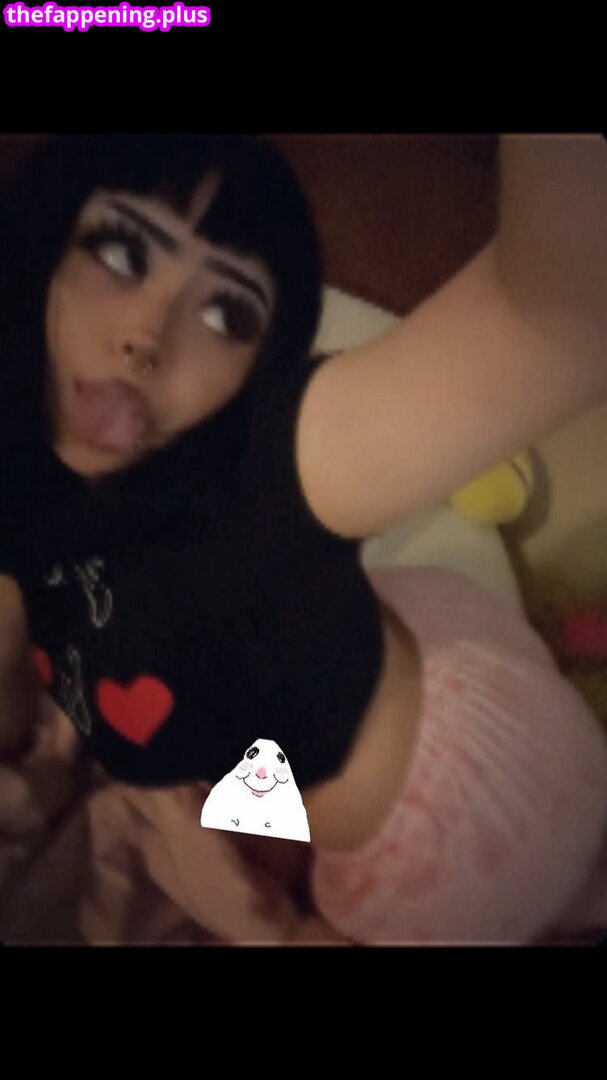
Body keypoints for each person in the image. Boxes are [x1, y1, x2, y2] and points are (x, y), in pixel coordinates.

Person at [0, 133, 606, 945]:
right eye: (119, 250)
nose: (147, 334)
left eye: (226, 313)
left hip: (458, 824)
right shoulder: (24, 450)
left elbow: (557, 316)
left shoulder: (265, 463)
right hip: (362, 655)